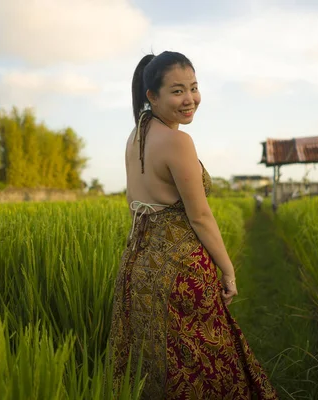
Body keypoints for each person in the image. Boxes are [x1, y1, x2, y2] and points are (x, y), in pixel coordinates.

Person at [108, 51, 278, 400]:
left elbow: (137, 204)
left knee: (153, 365)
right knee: (205, 363)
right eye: (177, 91)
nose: (190, 100)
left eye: (194, 88)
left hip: (138, 268)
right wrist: (228, 271)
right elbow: (200, 216)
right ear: (151, 96)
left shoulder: (135, 136)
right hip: (181, 272)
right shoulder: (178, 141)